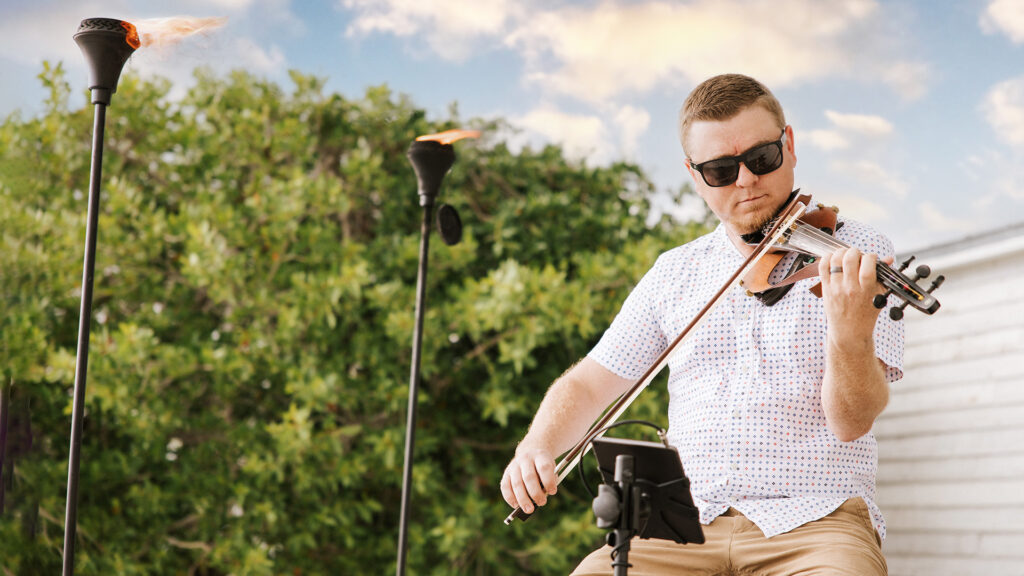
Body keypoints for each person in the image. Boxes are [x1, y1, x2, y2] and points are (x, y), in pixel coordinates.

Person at [499, 73, 903, 575]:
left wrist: (849, 333)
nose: (746, 181)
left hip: (816, 524)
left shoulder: (855, 254)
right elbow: (588, 382)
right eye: (720, 169)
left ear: (789, 145)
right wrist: (536, 444)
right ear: (695, 176)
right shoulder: (675, 272)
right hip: (681, 527)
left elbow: (852, 422)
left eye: (761, 159)